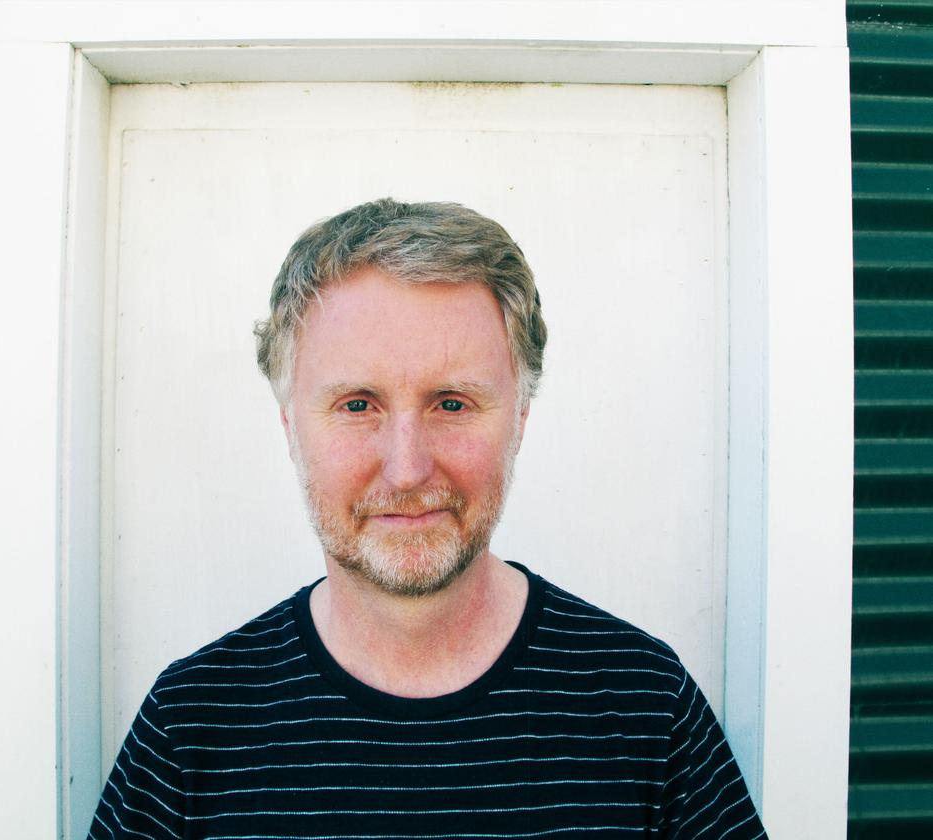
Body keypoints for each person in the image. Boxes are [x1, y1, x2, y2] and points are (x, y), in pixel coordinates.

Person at [88, 198, 766, 839]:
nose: (408, 470)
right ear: (291, 428)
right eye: (358, 405)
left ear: (520, 423)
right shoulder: (191, 727)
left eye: (452, 403)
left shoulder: (646, 707)